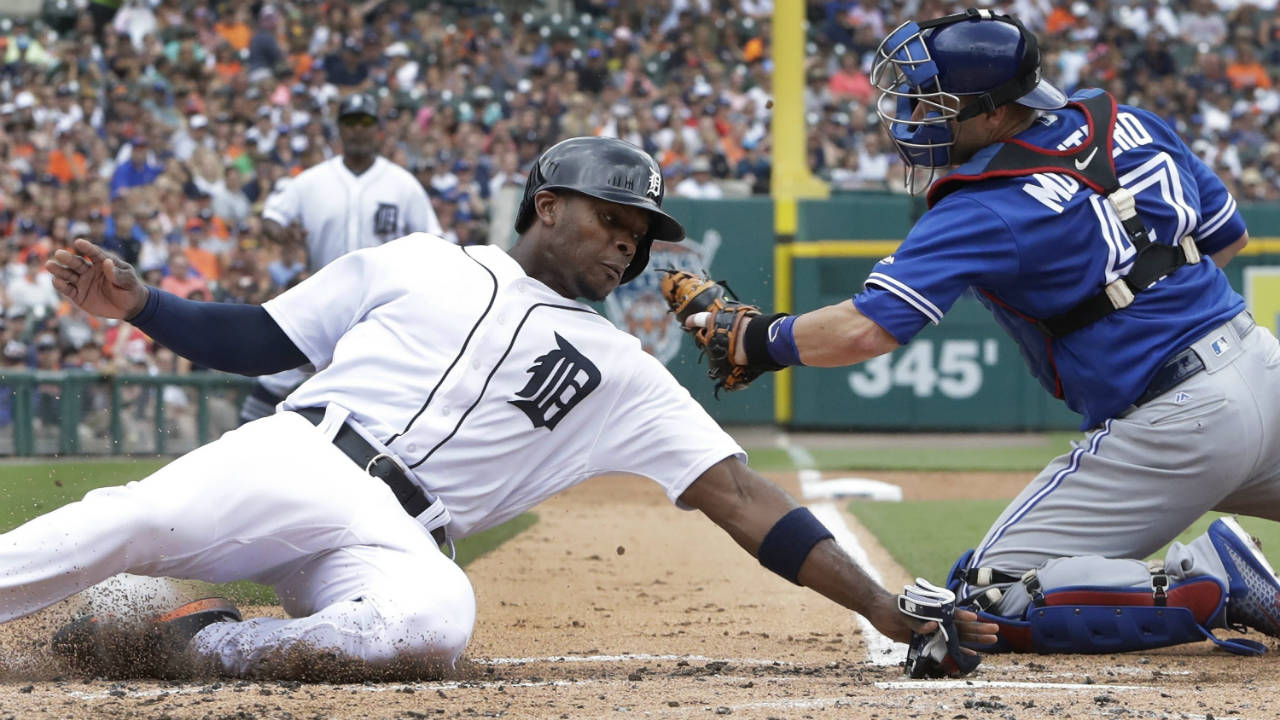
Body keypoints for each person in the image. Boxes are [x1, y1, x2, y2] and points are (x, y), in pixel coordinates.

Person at [21, 137, 996, 677]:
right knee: (133, 516)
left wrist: (882, 606)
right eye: (609, 220)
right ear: (545, 208)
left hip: (399, 535)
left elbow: (742, 498)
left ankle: (203, 638)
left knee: (433, 621)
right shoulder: (419, 262)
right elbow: (262, 341)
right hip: (300, 457)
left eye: (638, 236)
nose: (624, 247)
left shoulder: (621, 371)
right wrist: (141, 304)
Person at [686, 9, 1280, 656]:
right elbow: (1228, 237)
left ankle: (1214, 578)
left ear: (997, 113)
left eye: (935, 102)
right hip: (1258, 363)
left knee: (985, 601)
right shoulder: (1124, 118)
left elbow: (866, 329)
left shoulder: (985, 201)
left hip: (1177, 421)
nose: (917, 116)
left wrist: (759, 341)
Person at [241, 92, 443, 423]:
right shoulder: (312, 181)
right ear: (340, 129)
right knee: (278, 375)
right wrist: (281, 234)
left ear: (377, 129)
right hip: (327, 301)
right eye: (351, 123)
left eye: (365, 122)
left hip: (385, 307)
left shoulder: (403, 185)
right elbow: (272, 218)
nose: (358, 130)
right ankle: (237, 452)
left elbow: (435, 241)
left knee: (384, 392)